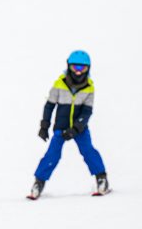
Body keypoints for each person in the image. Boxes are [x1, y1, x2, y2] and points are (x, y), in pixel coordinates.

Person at [30, 50, 109, 200]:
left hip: (80, 129)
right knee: (52, 154)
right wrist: (44, 126)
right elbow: (49, 105)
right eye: (75, 68)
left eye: (82, 68)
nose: (78, 72)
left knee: (88, 151)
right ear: (69, 66)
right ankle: (38, 182)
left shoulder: (89, 87)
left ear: (88, 68)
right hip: (61, 127)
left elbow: (87, 112)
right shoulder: (59, 84)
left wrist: (76, 128)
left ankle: (101, 177)